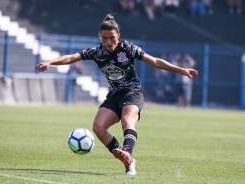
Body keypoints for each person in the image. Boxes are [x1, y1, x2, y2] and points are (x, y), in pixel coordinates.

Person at [35, 14, 198, 176]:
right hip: (114, 95)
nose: (108, 42)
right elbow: (72, 57)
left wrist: (181, 70)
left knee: (127, 120)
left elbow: (155, 61)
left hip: (132, 92)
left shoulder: (128, 48)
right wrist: (50, 62)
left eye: (111, 37)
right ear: (100, 37)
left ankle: (127, 151)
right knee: (98, 127)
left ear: (118, 36)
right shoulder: (97, 52)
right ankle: (127, 160)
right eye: (104, 38)